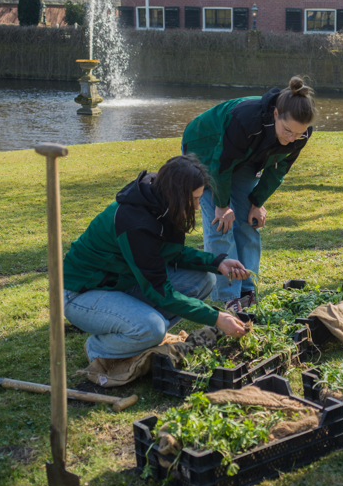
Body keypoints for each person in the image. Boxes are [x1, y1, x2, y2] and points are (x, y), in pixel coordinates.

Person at [62, 155, 249, 361]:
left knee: (205, 279)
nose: (197, 207)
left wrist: (217, 262)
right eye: (194, 199)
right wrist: (216, 318)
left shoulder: (162, 201)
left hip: (123, 280)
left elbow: (171, 253)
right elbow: (160, 291)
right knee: (152, 328)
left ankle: (138, 336)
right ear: (175, 193)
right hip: (81, 294)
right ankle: (100, 348)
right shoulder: (135, 224)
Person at [181, 75, 316, 313]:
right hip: (205, 150)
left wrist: (256, 202)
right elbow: (220, 166)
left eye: (298, 134)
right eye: (287, 131)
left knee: (248, 222)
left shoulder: (299, 134)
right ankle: (228, 296)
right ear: (275, 114)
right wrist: (222, 206)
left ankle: (247, 289)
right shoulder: (245, 119)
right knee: (221, 224)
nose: (291, 139)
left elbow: (279, 169)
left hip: (244, 156)